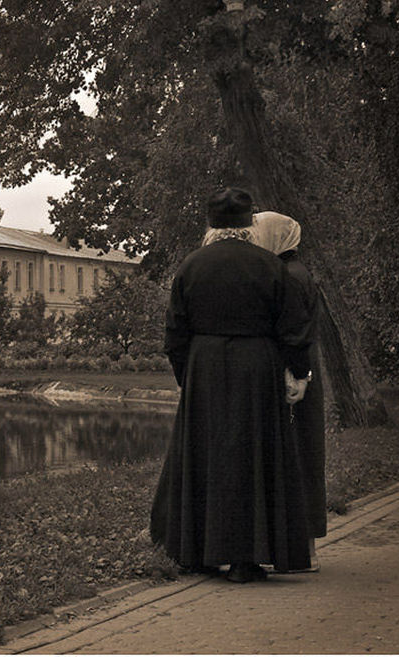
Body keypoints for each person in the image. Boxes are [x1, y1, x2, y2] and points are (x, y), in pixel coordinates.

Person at [150, 187, 313, 583]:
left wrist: (187, 375)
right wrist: (298, 373)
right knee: (252, 456)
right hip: (257, 366)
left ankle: (197, 552)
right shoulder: (271, 266)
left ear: (211, 224)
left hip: (205, 365)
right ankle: (246, 558)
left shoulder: (191, 266)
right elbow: (292, 329)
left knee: (204, 456)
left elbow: (175, 333)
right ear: (247, 223)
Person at [251, 211, 326, 571]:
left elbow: (293, 333)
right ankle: (298, 547)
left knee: (294, 457)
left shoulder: (287, 276)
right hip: (299, 371)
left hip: (293, 377)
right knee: (300, 456)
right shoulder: (293, 272)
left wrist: (298, 375)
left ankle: (299, 549)